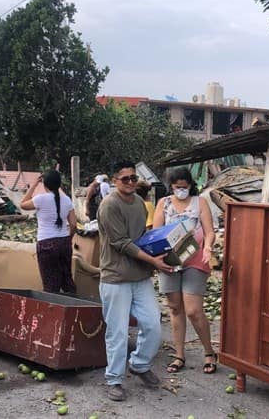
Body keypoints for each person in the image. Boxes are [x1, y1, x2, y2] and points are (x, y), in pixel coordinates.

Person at [97, 160, 174, 402]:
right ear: (114, 181)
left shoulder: (140, 203)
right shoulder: (109, 206)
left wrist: (163, 247)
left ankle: (139, 365)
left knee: (152, 324)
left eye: (133, 178)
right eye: (125, 179)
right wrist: (154, 262)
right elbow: (122, 244)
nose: (130, 182)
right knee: (117, 332)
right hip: (116, 278)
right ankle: (114, 379)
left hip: (140, 276)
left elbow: (142, 237)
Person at [152, 167, 217, 374]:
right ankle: (179, 354)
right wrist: (158, 258)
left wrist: (208, 247)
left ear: (190, 185)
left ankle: (209, 352)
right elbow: (156, 232)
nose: (181, 190)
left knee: (193, 310)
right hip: (170, 262)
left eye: (185, 186)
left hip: (195, 260)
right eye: (177, 187)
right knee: (174, 308)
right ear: (171, 186)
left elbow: (209, 232)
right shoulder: (164, 204)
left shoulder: (200, 203)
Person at [20, 171, 77, 293]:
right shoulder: (67, 200)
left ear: (44, 184)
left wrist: (34, 186)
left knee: (50, 283)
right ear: (59, 184)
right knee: (67, 279)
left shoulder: (40, 199)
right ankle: (74, 306)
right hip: (64, 242)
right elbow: (73, 224)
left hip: (46, 244)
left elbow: (23, 204)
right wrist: (69, 238)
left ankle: (53, 308)